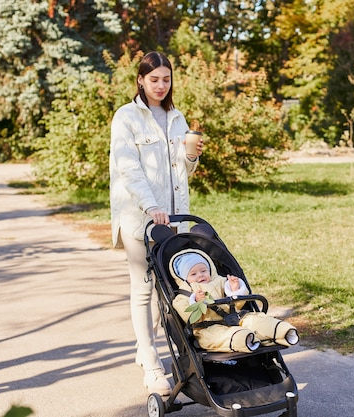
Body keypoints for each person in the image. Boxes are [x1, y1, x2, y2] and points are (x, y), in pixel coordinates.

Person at [109, 51, 203, 396]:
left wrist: (191, 156)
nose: (161, 85)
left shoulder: (177, 118)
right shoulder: (127, 117)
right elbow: (127, 167)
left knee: (172, 287)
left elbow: (183, 172)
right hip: (138, 217)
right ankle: (150, 362)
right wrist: (151, 206)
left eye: (166, 79)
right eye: (154, 79)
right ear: (140, 80)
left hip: (173, 219)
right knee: (143, 288)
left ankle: (157, 349)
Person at [170, 249, 299, 353]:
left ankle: (283, 332)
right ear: (184, 278)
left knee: (256, 319)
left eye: (203, 271)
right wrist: (195, 301)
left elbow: (238, 303)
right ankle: (246, 339)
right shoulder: (184, 294)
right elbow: (187, 315)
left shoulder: (220, 281)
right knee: (221, 336)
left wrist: (234, 288)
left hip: (235, 317)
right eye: (193, 274)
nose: (200, 275)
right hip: (209, 327)